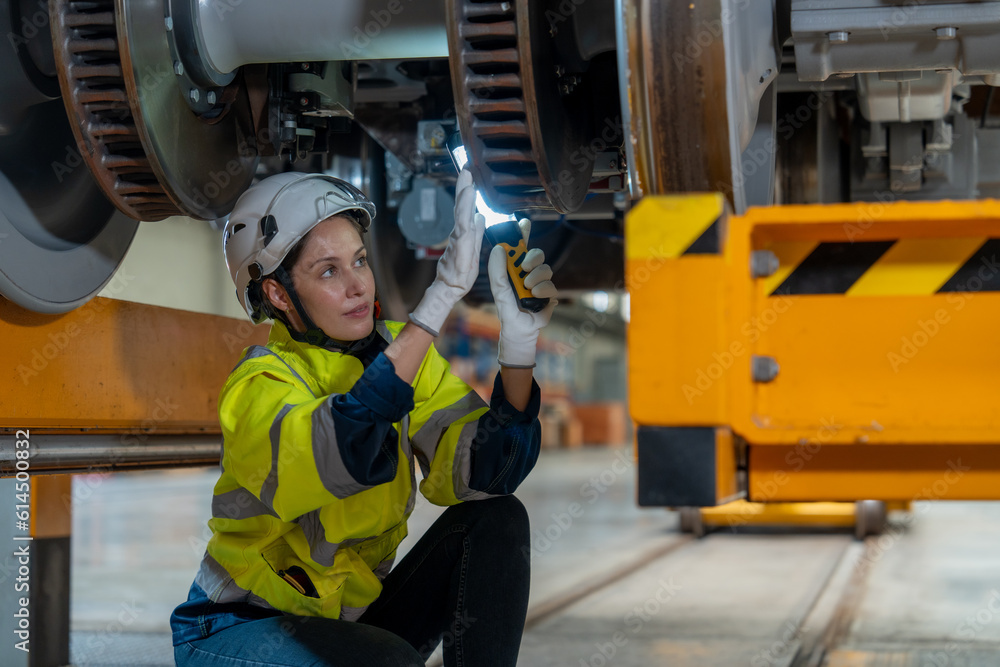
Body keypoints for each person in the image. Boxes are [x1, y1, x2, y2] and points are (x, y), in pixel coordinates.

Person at [170, 167, 558, 667]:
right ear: (279, 295)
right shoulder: (259, 384)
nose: (357, 285)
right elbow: (343, 447)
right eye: (328, 271)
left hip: (350, 625)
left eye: (358, 261)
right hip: (239, 628)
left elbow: (484, 475)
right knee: (384, 662)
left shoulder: (397, 353)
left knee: (496, 519)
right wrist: (439, 299)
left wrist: (520, 347)